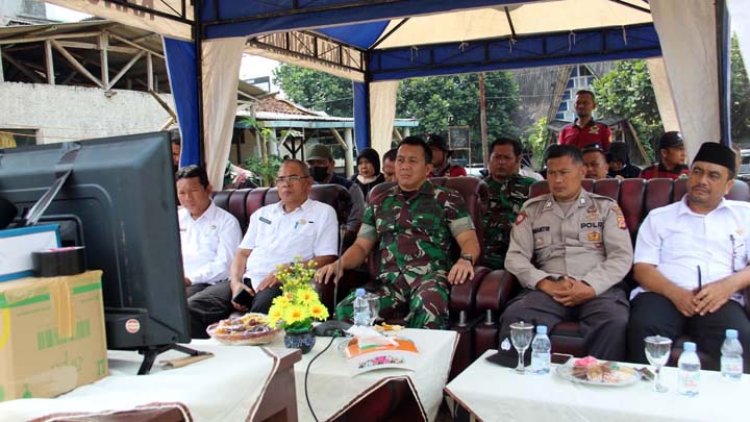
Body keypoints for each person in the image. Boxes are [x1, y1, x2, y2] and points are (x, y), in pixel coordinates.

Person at [315, 136, 481, 329]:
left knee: (428, 305)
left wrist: (465, 259)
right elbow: (361, 246)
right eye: (400, 160)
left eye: (412, 161)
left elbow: (469, 240)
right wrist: (339, 264)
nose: (404, 166)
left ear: (428, 168)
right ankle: (366, 358)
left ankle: (422, 359)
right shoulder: (379, 201)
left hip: (429, 280)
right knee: (347, 309)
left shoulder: (447, 198)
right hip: (389, 285)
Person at [500, 144, 633, 361]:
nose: (557, 180)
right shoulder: (532, 209)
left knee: (614, 321)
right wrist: (544, 283)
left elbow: (621, 256)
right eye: (552, 173)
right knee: (517, 317)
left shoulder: (605, 208)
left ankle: (598, 386)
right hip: (549, 287)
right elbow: (515, 257)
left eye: (564, 173)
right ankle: (521, 387)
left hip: (597, 288)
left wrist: (590, 286)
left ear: (582, 172)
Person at [627, 142, 750, 371]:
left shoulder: (744, 216)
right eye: (697, 171)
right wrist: (676, 293)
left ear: (728, 185)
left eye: (713, 175)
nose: (702, 181)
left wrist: (728, 286)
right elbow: (642, 268)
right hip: (662, 294)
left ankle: (725, 405)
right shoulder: (660, 217)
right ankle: (644, 401)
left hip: (720, 299)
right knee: (643, 328)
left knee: (740, 338)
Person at [187, 159, 338, 337]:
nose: (286, 184)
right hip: (247, 280)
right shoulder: (262, 214)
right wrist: (236, 283)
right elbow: (242, 253)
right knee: (191, 308)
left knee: (258, 318)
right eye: (281, 179)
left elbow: (327, 258)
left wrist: (287, 271)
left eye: (293, 177)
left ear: (308, 182)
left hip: (283, 283)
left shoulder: (322, 213)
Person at [176, 165, 242, 298]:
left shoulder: (227, 222)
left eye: (193, 190)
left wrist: (190, 279)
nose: (188, 198)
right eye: (182, 193)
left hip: (208, 284)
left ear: (208, 190)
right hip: (176, 281)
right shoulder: (175, 219)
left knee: (179, 303)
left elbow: (225, 265)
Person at [481, 138, 536, 270]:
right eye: (497, 157)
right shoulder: (478, 188)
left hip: (519, 257)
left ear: (518, 160)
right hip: (482, 257)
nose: (501, 162)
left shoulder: (532, 187)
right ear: (489, 159)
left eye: (507, 158)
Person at [306, 143, 365, 240]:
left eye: (320, 162)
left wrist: (337, 236)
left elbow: (355, 221)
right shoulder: (305, 189)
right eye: (311, 163)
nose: (315, 167)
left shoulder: (349, 188)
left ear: (332, 164)